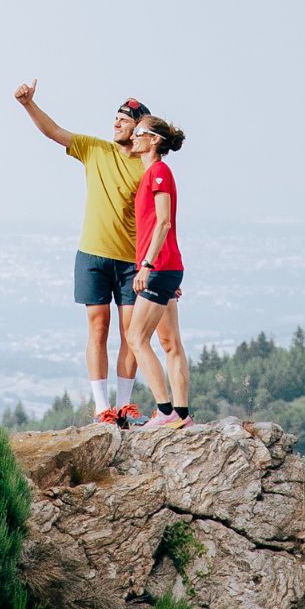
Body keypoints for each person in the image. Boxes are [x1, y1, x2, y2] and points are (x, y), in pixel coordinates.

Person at [13, 80, 149, 424]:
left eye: (124, 119)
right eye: (116, 117)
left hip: (131, 261)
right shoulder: (94, 149)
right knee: (98, 327)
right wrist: (28, 104)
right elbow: (53, 131)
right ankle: (102, 406)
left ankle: (125, 405)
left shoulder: (147, 166)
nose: (116, 122)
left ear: (138, 129)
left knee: (131, 333)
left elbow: (156, 218)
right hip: (92, 254)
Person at [126, 114, 190, 429]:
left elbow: (163, 222)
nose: (133, 137)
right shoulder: (153, 173)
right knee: (170, 343)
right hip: (166, 267)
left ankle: (164, 412)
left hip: (158, 266)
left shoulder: (159, 172)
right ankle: (181, 415)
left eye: (138, 132)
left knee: (136, 337)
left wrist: (148, 266)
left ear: (155, 140)